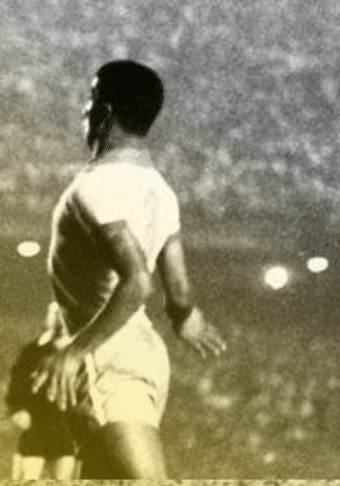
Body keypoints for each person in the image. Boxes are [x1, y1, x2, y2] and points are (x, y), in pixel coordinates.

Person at [30, 59, 226, 478]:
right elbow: (181, 296)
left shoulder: (95, 186)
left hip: (108, 358)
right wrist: (185, 320)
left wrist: (74, 351)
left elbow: (138, 281)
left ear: (105, 112)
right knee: (102, 477)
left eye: (90, 99)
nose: (84, 110)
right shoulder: (161, 189)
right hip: (145, 353)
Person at [5, 302, 77, 479]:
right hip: (37, 425)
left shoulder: (78, 351)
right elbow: (16, 386)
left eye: (64, 314)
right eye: (54, 314)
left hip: (67, 428)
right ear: (48, 317)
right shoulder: (32, 351)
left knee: (64, 479)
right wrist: (17, 410)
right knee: (28, 478)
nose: (59, 320)